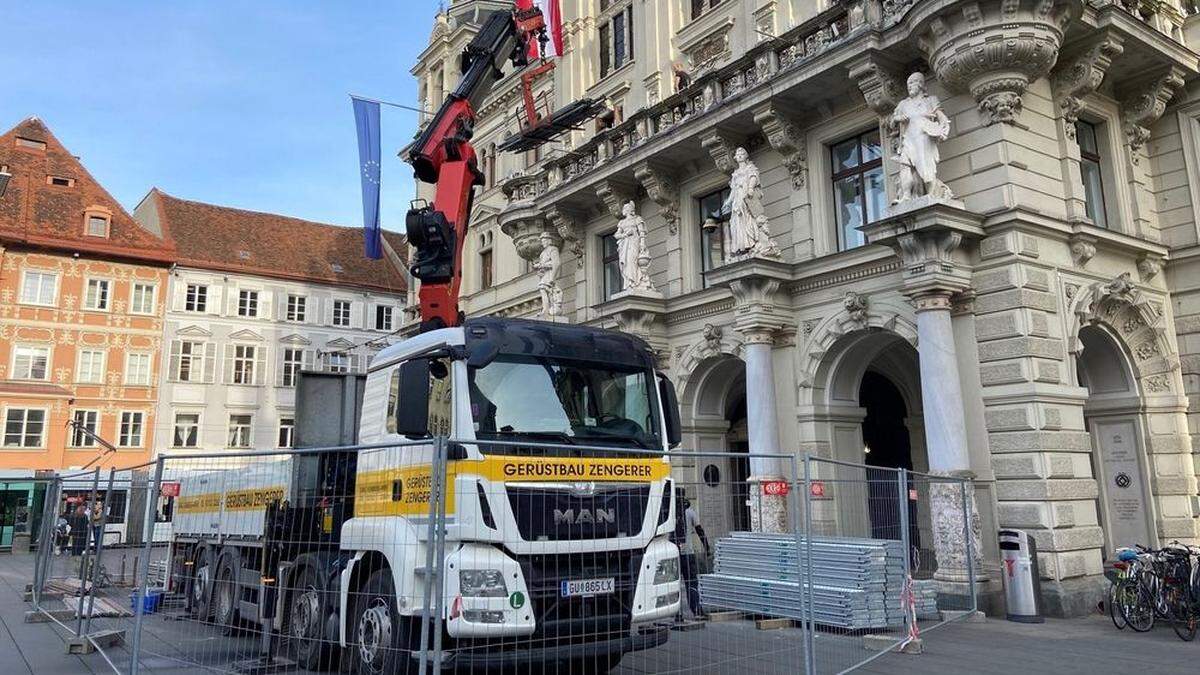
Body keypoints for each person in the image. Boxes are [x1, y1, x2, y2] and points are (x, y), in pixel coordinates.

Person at [891, 71, 952, 203]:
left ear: (920, 84)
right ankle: (906, 196)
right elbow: (892, 123)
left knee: (927, 169)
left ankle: (932, 195)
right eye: (908, 84)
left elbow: (942, 118)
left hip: (923, 139)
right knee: (904, 165)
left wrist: (944, 130)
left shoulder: (930, 100)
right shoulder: (903, 104)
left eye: (912, 82)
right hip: (908, 140)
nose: (909, 86)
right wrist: (897, 118)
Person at [670, 488, 710, 619]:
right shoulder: (690, 512)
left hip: (673, 554)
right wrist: (707, 547)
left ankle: (677, 614)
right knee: (691, 582)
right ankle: (697, 610)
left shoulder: (668, 513)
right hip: (688, 553)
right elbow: (699, 530)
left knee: (674, 584)